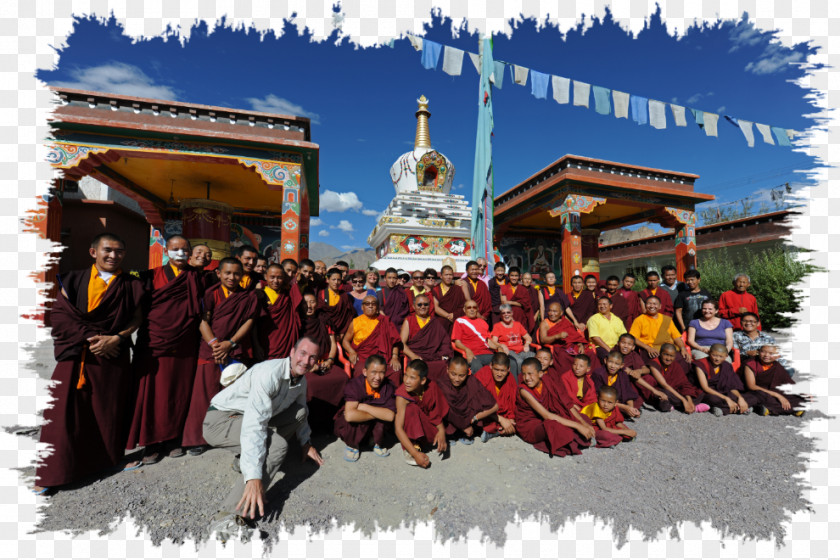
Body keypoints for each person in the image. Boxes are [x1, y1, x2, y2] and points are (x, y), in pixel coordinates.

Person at [34, 233, 144, 493]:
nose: (113, 256)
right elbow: (60, 314)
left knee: (109, 412)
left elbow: (137, 318)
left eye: (119, 252)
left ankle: (107, 461)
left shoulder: (132, 285)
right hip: (78, 354)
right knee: (62, 413)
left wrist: (116, 338)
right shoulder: (74, 279)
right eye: (108, 250)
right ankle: (53, 473)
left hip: (112, 356)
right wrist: (90, 336)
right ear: (93, 252)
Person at [203, 337, 324, 539]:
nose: (306, 361)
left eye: (312, 357)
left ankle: (246, 460)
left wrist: (305, 442)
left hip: (247, 419)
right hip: (222, 420)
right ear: (292, 353)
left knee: (299, 412)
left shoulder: (300, 381)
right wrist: (254, 476)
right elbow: (254, 425)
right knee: (277, 446)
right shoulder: (269, 374)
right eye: (302, 353)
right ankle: (227, 517)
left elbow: (302, 411)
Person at [126, 235, 203, 467]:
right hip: (155, 343)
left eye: (184, 249)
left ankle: (173, 439)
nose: (180, 253)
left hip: (185, 345)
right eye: (175, 249)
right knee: (152, 394)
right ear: (166, 251)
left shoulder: (197, 277)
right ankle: (151, 442)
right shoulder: (149, 276)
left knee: (180, 393)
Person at [182, 257, 259, 455]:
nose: (232, 277)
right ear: (219, 273)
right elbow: (202, 320)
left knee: (234, 395)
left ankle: (232, 437)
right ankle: (197, 438)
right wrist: (216, 344)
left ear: (241, 276)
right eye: (227, 273)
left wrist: (230, 343)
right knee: (203, 394)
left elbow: (248, 323)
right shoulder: (210, 293)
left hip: (235, 349)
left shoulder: (248, 297)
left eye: (236, 273)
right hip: (211, 350)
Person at [514, 358, 595, 457]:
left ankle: (572, 438)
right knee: (553, 425)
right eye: (524, 374)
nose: (526, 378)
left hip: (546, 417)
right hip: (531, 426)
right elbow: (546, 415)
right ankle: (576, 439)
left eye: (530, 374)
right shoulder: (524, 391)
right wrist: (578, 426)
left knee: (582, 417)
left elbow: (565, 404)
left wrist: (583, 422)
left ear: (540, 374)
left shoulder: (548, 381)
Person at [333, 354, 397, 462]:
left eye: (382, 373)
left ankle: (376, 441)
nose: (378, 377)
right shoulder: (354, 385)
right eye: (373, 372)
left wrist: (364, 407)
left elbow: (390, 416)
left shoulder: (388, 386)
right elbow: (349, 416)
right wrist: (378, 413)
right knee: (352, 419)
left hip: (372, 422)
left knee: (383, 421)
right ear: (364, 372)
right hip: (356, 425)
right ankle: (353, 445)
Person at [394, 360, 449, 468]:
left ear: (423, 380)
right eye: (405, 375)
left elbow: (436, 412)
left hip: (429, 431)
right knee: (411, 409)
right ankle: (412, 448)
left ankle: (424, 444)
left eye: (412, 378)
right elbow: (398, 428)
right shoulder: (402, 395)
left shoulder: (431, 386)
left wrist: (441, 430)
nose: (406, 381)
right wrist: (415, 454)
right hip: (412, 433)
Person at [299, 291, 347, 409]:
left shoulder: (323, 319)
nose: (309, 306)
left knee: (343, 378)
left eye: (312, 302)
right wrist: (309, 365)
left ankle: (336, 412)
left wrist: (330, 360)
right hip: (306, 364)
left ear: (317, 304)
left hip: (325, 361)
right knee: (310, 383)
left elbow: (332, 343)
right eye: (306, 303)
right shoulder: (298, 322)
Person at [436, 356, 499, 445]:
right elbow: (445, 411)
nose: (457, 379)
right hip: (450, 421)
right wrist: (464, 426)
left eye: (461, 375)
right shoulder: (442, 384)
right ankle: (452, 434)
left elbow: (494, 406)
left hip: (469, 420)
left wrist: (474, 418)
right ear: (447, 370)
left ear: (467, 372)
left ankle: (464, 433)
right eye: (453, 374)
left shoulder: (471, 381)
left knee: (475, 401)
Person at [342, 295, 402, 384]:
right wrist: (352, 351)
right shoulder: (356, 322)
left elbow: (395, 342)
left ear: (377, 307)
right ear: (362, 307)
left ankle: (390, 396)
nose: (370, 306)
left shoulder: (385, 321)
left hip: (383, 358)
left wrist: (395, 356)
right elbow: (345, 341)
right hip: (364, 358)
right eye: (367, 304)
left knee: (395, 371)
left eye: (373, 304)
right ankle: (363, 395)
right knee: (360, 371)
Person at [254, 264, 302, 361]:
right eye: (272, 277)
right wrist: (256, 345)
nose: (275, 281)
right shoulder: (260, 294)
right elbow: (253, 323)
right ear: (265, 276)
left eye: (279, 278)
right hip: (265, 342)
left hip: (286, 343)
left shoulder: (287, 294)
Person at [741, 345, 806, 417]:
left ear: (778, 356)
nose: (766, 355)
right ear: (758, 352)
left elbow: (788, 382)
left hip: (772, 390)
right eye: (763, 352)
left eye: (771, 353)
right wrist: (777, 395)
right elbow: (751, 386)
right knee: (759, 396)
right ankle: (790, 409)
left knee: (800, 398)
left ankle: (766, 408)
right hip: (757, 391)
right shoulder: (751, 364)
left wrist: (802, 392)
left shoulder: (777, 365)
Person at [401, 294, 452, 380]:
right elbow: (402, 344)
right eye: (419, 304)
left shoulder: (435, 322)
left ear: (429, 306)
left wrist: (444, 354)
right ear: (413, 306)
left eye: (426, 304)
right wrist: (413, 356)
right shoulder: (409, 321)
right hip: (416, 356)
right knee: (418, 367)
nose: (423, 307)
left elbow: (445, 342)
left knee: (444, 365)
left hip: (433, 356)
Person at [640, 343, 704, 413]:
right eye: (666, 354)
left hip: (675, 392)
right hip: (662, 390)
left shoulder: (675, 365)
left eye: (671, 356)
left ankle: (687, 405)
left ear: (675, 356)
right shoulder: (654, 364)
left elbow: (684, 383)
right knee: (664, 397)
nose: (668, 358)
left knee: (699, 392)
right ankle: (691, 406)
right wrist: (683, 400)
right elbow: (664, 385)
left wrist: (689, 400)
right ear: (660, 353)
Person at [628, 296, 692, 366]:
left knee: (684, 359)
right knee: (655, 363)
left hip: (667, 349)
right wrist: (648, 348)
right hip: (649, 350)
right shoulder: (639, 320)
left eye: (655, 304)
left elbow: (676, 337)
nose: (652, 306)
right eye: (649, 303)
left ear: (660, 306)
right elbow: (633, 338)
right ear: (645, 305)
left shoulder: (667, 320)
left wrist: (683, 348)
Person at [692, 343, 751, 416]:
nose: (717, 359)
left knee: (747, 397)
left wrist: (740, 398)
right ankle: (738, 408)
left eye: (721, 356)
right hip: (705, 392)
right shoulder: (701, 364)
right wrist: (726, 398)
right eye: (714, 355)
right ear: (709, 353)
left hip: (721, 391)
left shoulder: (726, 366)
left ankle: (724, 408)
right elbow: (705, 388)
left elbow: (731, 386)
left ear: (726, 356)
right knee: (713, 399)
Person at [474, 353, 518, 442]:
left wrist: (510, 420)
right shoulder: (483, 375)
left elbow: (512, 403)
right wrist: (501, 419)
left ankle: (496, 431)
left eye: (503, 371)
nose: (499, 374)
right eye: (496, 369)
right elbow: (477, 403)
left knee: (519, 421)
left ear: (509, 369)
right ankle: (499, 430)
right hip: (485, 414)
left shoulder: (510, 379)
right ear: (491, 366)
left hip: (503, 414)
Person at [538, 301, 591, 373]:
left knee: (589, 353)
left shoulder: (565, 321)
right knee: (564, 356)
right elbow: (543, 340)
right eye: (550, 311)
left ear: (561, 313)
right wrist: (557, 336)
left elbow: (575, 336)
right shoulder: (545, 323)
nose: (551, 313)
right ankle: (567, 377)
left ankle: (589, 375)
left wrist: (580, 344)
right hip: (558, 348)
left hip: (571, 346)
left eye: (554, 311)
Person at [452, 300, 502, 373]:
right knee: (478, 367)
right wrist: (467, 350)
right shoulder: (460, 321)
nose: (472, 309)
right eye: (469, 307)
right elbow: (457, 343)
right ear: (464, 310)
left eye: (474, 307)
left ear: (477, 309)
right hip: (473, 354)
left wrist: (498, 347)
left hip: (487, 353)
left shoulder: (483, 322)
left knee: (507, 362)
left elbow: (487, 341)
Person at [589, 351, 641, 418]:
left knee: (636, 402)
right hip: (602, 402)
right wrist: (624, 407)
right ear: (605, 360)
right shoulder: (598, 373)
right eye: (610, 362)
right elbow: (597, 395)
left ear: (621, 365)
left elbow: (627, 391)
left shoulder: (623, 374)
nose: (612, 366)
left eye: (616, 364)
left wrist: (631, 408)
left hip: (616, 401)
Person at [490, 303, 533, 376]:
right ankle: (520, 380)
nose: (506, 315)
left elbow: (528, 337)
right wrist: (502, 345)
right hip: (509, 351)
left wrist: (526, 344)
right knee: (519, 361)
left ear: (512, 313)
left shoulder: (517, 324)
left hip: (521, 350)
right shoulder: (497, 326)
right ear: (501, 315)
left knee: (534, 357)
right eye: (503, 313)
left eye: (508, 312)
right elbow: (493, 341)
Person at [586, 296, 628, 361]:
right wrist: (609, 350)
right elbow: (595, 338)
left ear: (611, 306)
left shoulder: (617, 320)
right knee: (611, 359)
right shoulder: (593, 319)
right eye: (600, 304)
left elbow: (623, 336)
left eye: (604, 304)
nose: (602, 306)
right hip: (600, 347)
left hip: (616, 347)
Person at [319, 268, 355, 336]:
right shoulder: (322, 294)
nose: (336, 282)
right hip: (325, 331)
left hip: (341, 331)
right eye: (333, 279)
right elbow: (319, 313)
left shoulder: (344, 295)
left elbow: (349, 315)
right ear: (327, 280)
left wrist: (342, 333)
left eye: (338, 280)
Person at [499, 266, 535, 335]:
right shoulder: (504, 288)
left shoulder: (523, 289)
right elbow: (504, 303)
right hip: (507, 316)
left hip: (520, 316)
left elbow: (525, 304)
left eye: (516, 276)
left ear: (519, 277)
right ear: (508, 276)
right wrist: (517, 303)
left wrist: (510, 302)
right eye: (512, 275)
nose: (514, 278)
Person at [433, 264, 466, 333]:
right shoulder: (436, 289)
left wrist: (454, 315)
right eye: (446, 275)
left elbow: (463, 306)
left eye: (450, 275)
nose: (448, 277)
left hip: (455, 317)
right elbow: (436, 307)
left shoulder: (457, 289)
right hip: (442, 318)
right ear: (441, 276)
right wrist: (448, 316)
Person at [487, 261, 508, 326]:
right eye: (498, 271)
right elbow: (491, 296)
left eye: (502, 271)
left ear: (504, 271)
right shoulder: (491, 282)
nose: (500, 273)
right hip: (496, 308)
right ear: (495, 271)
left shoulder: (508, 281)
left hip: (507, 308)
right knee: (496, 326)